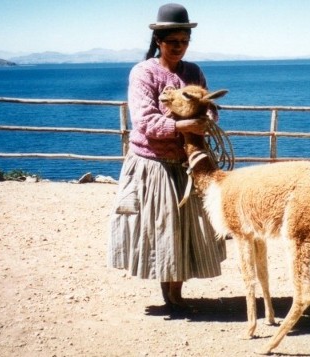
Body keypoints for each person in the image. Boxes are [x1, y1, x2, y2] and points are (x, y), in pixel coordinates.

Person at [108, 3, 226, 311]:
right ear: (158, 41)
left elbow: (208, 105)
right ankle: (170, 295)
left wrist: (208, 116)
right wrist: (185, 124)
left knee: (186, 228)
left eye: (184, 42)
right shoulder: (143, 73)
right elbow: (145, 121)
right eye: (172, 42)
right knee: (165, 228)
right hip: (154, 165)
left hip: (187, 163)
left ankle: (177, 293)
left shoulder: (193, 72)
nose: (179, 47)